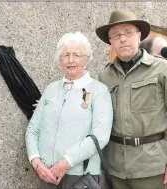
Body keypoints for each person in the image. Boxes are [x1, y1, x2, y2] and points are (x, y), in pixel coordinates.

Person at [95, 10, 167, 189]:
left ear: (139, 35)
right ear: (110, 42)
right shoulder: (104, 76)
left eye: (128, 32)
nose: (123, 39)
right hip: (116, 168)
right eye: (116, 35)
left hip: (152, 166)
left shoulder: (162, 69)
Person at [26, 32, 113, 189]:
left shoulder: (98, 91)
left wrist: (67, 162)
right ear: (60, 60)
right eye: (66, 55)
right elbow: (33, 129)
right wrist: (36, 162)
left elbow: (100, 136)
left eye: (76, 55)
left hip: (81, 176)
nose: (71, 60)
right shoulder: (51, 89)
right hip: (47, 174)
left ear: (87, 59)